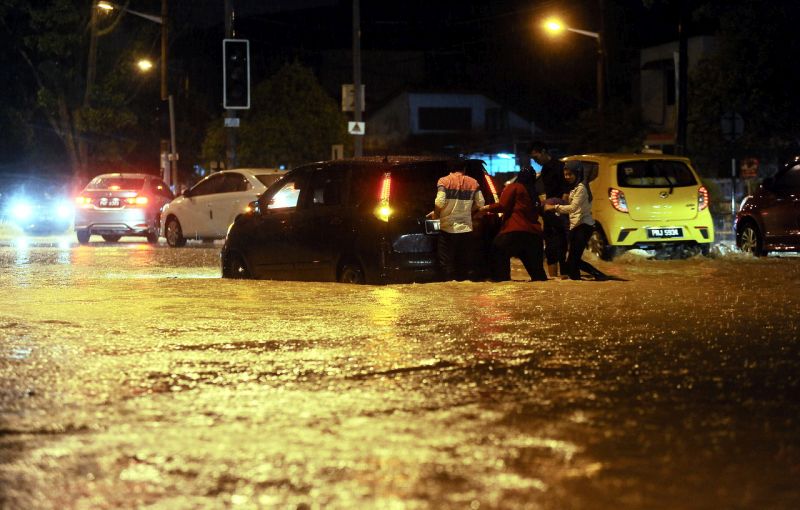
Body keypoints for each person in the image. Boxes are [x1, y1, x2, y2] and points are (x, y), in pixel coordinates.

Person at [544, 160, 609, 281]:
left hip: (583, 227)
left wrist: (553, 207)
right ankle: (581, 282)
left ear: (578, 173)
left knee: (572, 261)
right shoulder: (574, 188)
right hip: (576, 227)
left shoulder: (581, 189)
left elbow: (573, 208)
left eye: (570, 174)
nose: (567, 177)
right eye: (565, 174)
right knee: (573, 263)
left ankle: (599, 276)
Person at [480, 167, 547, 282]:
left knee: (498, 251)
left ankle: (503, 281)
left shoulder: (514, 187)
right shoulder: (534, 194)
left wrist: (485, 208)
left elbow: (502, 206)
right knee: (538, 276)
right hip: (534, 237)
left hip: (513, 232)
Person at [433, 160, 485, 280]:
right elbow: (481, 202)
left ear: (450, 168)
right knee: (463, 262)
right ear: (464, 169)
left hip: (448, 229)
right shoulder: (473, 182)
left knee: (447, 263)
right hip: (466, 229)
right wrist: (470, 211)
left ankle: (450, 288)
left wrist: (436, 214)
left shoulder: (444, 181)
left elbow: (439, 202)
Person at [529, 141, 569, 278]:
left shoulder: (560, 167)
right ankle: (554, 279)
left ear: (544, 151)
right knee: (550, 245)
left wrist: (560, 208)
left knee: (561, 243)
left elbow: (566, 190)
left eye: (536, 157)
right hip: (549, 210)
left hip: (559, 210)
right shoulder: (545, 169)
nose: (536, 161)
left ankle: (564, 275)